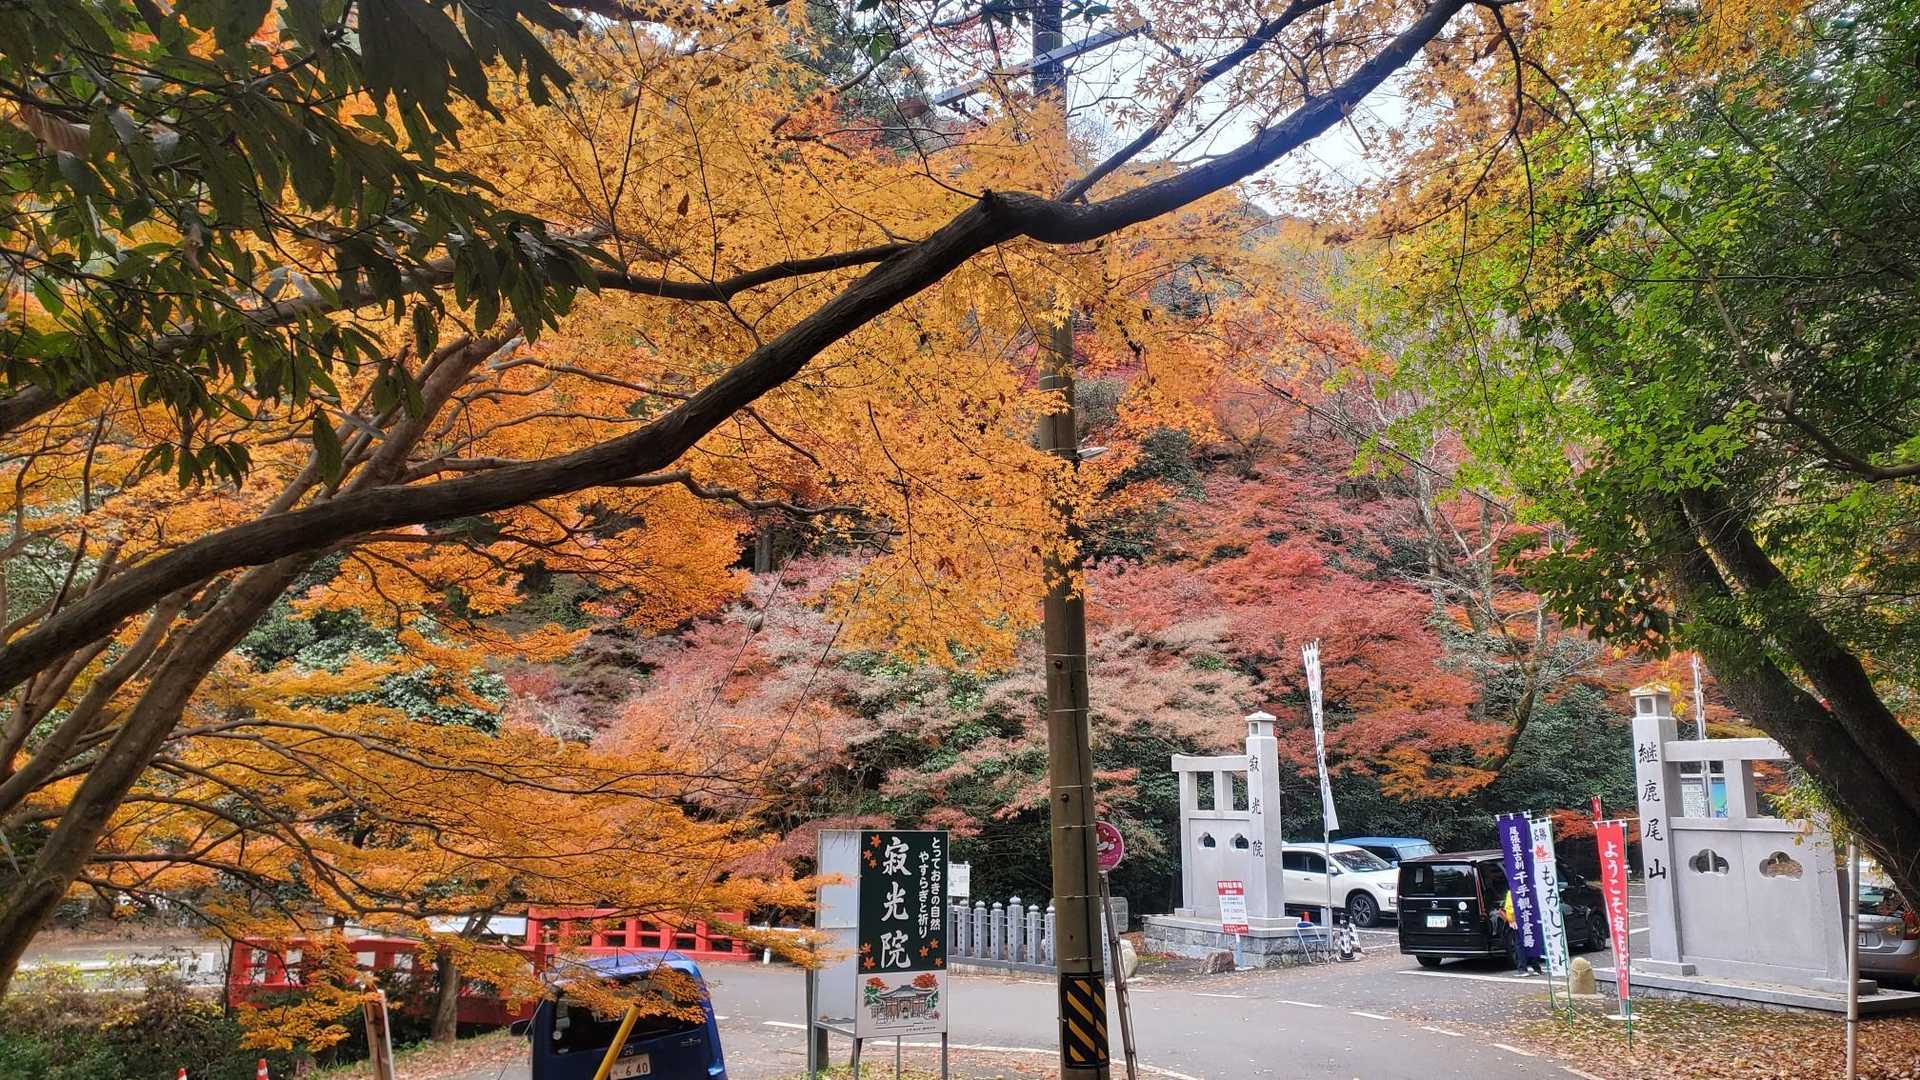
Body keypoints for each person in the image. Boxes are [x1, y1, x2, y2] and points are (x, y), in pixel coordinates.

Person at [1500, 888, 1544, 976]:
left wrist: (1511, 920)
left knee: (1519, 945)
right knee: (1531, 942)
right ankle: (1536, 968)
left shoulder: (1513, 890)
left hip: (1518, 921)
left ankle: (1522, 969)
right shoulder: (1529, 888)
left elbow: (1509, 907)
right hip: (1531, 919)